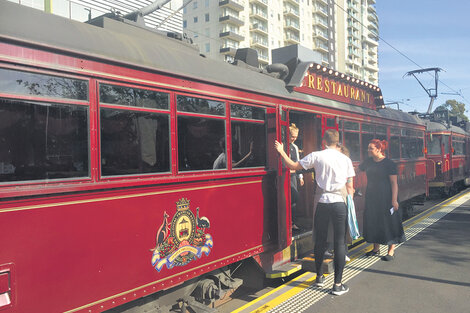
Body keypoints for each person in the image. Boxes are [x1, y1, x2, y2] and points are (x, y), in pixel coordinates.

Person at [275, 129, 355, 296]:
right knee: (340, 242)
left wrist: (282, 151)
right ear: (337, 142)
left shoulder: (317, 156)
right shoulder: (346, 159)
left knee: (320, 240)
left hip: (322, 202)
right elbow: (350, 187)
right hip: (340, 202)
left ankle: (319, 277)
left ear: (324, 141)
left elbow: (293, 166)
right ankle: (338, 285)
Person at [360, 139, 405, 261]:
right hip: (372, 197)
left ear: (379, 149)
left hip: (386, 196)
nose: (368, 150)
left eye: (371, 148)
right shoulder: (368, 162)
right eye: (368, 148)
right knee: (373, 221)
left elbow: (394, 183)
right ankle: (376, 248)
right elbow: (357, 170)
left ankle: (391, 250)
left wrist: (394, 200)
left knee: (390, 222)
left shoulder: (389, 164)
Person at [289, 124, 304, 230]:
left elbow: (298, 163)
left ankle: (293, 222)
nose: (294, 139)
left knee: (294, 200)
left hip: (293, 176)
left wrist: (300, 177)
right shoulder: (283, 145)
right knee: (292, 197)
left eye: (295, 137)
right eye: (292, 136)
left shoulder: (295, 147)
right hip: (285, 176)